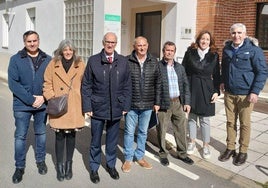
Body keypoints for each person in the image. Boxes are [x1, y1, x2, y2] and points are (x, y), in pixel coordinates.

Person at [81, 32, 132, 184]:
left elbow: (128, 86)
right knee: (96, 140)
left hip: (117, 107)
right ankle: (94, 167)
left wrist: (126, 106)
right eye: (107, 42)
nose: (110, 45)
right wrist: (87, 106)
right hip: (97, 107)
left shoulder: (123, 61)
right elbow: (86, 85)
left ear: (116, 44)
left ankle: (111, 165)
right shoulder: (94, 60)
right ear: (103, 43)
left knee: (112, 141)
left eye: (113, 42)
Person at [219, 23, 267, 166]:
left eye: (239, 33)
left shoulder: (254, 50)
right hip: (229, 93)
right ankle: (230, 148)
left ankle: (243, 151)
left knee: (244, 123)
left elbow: (262, 72)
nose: (236, 36)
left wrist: (255, 91)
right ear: (230, 34)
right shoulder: (227, 49)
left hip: (246, 94)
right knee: (230, 122)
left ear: (245, 34)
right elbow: (224, 68)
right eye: (233, 33)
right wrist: (222, 81)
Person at [8, 30, 51, 184]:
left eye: (35, 40)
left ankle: (40, 161)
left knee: (40, 133)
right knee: (20, 136)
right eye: (29, 41)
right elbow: (13, 83)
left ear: (38, 41)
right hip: (22, 105)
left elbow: (51, 82)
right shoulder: (15, 59)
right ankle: (19, 167)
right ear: (24, 42)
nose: (32, 44)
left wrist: (44, 97)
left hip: (42, 104)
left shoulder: (48, 59)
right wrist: (30, 99)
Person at [43, 39, 85, 181]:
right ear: (61, 51)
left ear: (74, 51)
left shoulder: (80, 64)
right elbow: (47, 83)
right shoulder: (53, 64)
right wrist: (52, 97)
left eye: (70, 50)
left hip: (74, 105)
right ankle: (59, 167)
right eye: (65, 50)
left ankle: (69, 164)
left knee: (72, 136)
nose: (68, 52)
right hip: (59, 104)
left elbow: (86, 84)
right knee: (59, 136)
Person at [121, 36, 161, 173]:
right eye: (139, 45)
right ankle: (127, 158)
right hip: (131, 104)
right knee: (129, 132)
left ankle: (140, 157)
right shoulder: (126, 61)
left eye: (144, 45)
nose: (142, 48)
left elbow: (158, 83)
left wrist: (157, 102)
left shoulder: (154, 61)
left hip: (148, 104)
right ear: (134, 47)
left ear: (148, 45)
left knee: (143, 132)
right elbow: (122, 83)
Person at [182, 30, 221, 159]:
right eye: (202, 39)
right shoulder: (190, 53)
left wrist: (216, 91)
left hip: (207, 89)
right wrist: (184, 90)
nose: (205, 41)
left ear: (210, 42)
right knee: (192, 118)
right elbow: (184, 72)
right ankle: (192, 142)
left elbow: (216, 75)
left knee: (205, 119)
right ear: (198, 40)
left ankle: (205, 146)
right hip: (192, 87)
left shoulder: (214, 55)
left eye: (207, 39)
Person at [156, 41, 193, 167]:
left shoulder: (180, 67)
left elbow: (186, 86)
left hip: (178, 103)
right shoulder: (158, 66)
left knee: (181, 129)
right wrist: (156, 103)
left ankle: (182, 153)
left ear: (174, 52)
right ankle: (163, 154)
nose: (169, 52)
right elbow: (154, 86)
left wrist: (187, 102)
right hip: (164, 103)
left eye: (172, 50)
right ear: (163, 51)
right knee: (162, 129)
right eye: (167, 50)